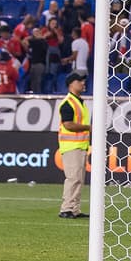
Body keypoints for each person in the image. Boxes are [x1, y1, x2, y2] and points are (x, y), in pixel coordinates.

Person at [57, 72, 91, 219]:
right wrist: (88, 128)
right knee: (73, 178)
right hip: (71, 146)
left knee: (78, 178)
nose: (83, 83)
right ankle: (67, 209)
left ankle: (74, 209)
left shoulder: (78, 102)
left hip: (79, 145)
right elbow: (68, 125)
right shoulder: (68, 103)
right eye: (80, 81)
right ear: (71, 84)